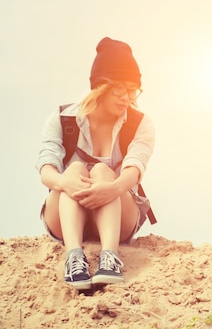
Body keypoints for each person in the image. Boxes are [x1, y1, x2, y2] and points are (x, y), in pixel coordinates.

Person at [35, 37, 155, 290]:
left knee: (102, 171)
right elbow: (46, 170)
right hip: (65, 214)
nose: (127, 97)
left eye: (133, 89)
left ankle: (109, 257)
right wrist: (64, 182)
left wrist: (111, 188)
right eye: (120, 88)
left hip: (118, 216)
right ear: (100, 85)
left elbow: (134, 169)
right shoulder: (62, 119)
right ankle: (74, 257)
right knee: (76, 170)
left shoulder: (139, 123)